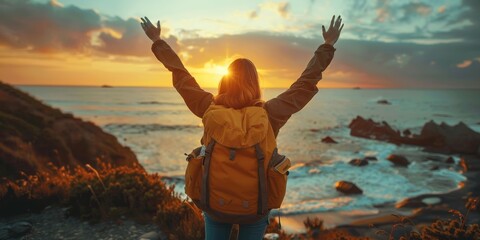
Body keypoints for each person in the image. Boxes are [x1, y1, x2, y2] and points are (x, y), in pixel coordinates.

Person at [141, 15, 343, 240]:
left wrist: (157, 40)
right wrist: (327, 45)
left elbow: (181, 77)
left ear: (225, 81)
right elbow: (305, 84)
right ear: (255, 83)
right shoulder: (271, 113)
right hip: (255, 208)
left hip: (215, 204)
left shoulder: (208, 108)